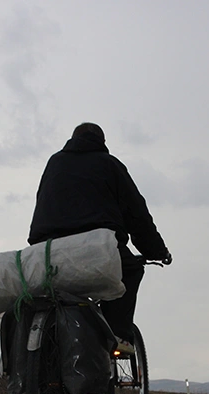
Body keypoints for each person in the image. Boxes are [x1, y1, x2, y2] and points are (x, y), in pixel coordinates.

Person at [28, 122, 171, 347]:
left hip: (48, 248)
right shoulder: (110, 165)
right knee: (131, 270)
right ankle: (117, 335)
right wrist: (156, 251)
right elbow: (137, 215)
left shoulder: (54, 162)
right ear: (102, 143)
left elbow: (42, 202)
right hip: (96, 247)